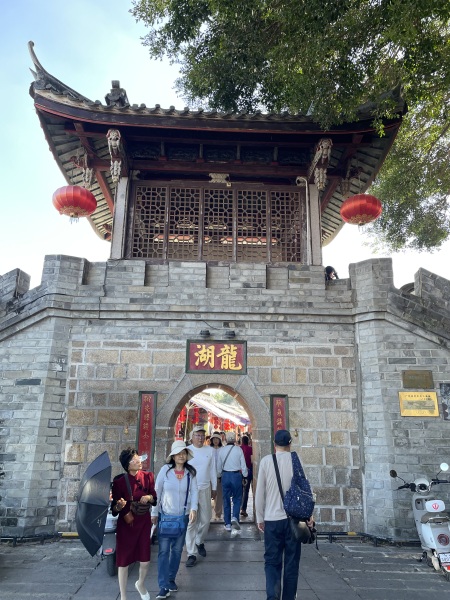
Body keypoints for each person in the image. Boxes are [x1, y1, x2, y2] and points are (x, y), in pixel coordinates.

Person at [255, 430, 314, 600]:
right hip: (294, 520)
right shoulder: (296, 460)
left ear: (274, 444)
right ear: (290, 444)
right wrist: (309, 515)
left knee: (272, 562)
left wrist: (259, 517)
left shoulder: (266, 461)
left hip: (272, 520)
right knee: (291, 564)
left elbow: (259, 493)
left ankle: (272, 597)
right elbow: (306, 489)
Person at [152, 441, 199, 599]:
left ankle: (171, 578)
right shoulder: (165, 470)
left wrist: (193, 509)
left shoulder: (190, 473)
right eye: (178, 453)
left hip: (182, 516)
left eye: (183, 453)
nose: (181, 456)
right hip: (165, 516)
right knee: (164, 551)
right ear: (172, 456)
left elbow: (194, 492)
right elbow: (157, 491)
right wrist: (154, 512)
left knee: (178, 550)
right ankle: (163, 585)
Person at [111, 448, 157, 600]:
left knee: (145, 560)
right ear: (127, 465)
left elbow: (155, 498)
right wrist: (119, 506)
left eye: (139, 458)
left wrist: (148, 497)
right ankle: (123, 596)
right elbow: (114, 510)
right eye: (134, 460)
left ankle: (140, 583)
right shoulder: (118, 482)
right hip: (126, 524)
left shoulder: (148, 476)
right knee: (123, 562)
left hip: (143, 522)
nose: (138, 461)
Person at [185, 425, 217, 566]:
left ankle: (199, 541)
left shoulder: (210, 450)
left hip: (205, 488)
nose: (200, 438)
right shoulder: (186, 451)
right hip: (190, 491)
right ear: (192, 437)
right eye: (197, 435)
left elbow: (213, 469)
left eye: (202, 435)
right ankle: (191, 553)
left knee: (206, 519)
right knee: (191, 522)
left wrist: (214, 487)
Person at [217, 432, 248, 535]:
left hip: (225, 475)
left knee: (226, 499)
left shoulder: (221, 450)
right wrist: (245, 475)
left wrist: (219, 475)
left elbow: (218, 466)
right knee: (237, 498)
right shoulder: (238, 450)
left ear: (225, 439)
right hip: (236, 476)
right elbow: (243, 465)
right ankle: (235, 517)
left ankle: (227, 524)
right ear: (234, 439)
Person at [209, 431, 223, 519]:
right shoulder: (208, 449)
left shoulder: (223, 449)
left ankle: (218, 513)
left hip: (220, 475)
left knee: (219, 495)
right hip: (210, 475)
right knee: (209, 495)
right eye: (214, 439)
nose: (215, 441)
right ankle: (208, 514)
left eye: (217, 439)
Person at [240, 435, 253, 517]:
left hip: (239, 472)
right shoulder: (250, 449)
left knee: (239, 491)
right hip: (248, 471)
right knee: (246, 491)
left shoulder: (239, 448)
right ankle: (243, 509)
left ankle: (238, 507)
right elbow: (252, 461)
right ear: (248, 441)